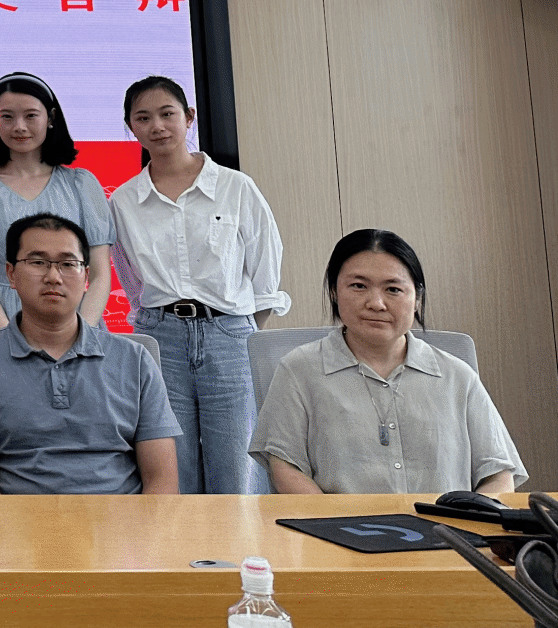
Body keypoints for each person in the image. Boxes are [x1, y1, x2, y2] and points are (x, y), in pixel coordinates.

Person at [110, 75, 288, 495]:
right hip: (161, 338)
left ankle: (241, 541)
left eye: (167, 114)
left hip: (230, 334)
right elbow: (131, 281)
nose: (157, 126)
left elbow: (265, 275)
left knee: (238, 463)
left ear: (189, 117)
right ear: (130, 127)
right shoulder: (123, 201)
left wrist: (238, 330)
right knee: (171, 465)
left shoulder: (235, 186)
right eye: (143, 118)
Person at [251, 229, 524, 495]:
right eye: (358, 286)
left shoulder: (457, 376)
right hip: (337, 525)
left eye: (393, 289)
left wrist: (473, 518)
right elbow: (285, 468)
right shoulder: (299, 370)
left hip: (444, 525)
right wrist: (334, 521)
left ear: (417, 299)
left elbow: (499, 475)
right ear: (334, 291)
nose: (376, 303)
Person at [0, 213, 181, 495]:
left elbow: (162, 482)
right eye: (38, 262)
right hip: (16, 519)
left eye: (68, 264)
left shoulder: (135, 360)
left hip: (119, 519)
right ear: (11, 274)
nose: (53, 277)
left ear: (86, 277)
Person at [0, 73, 113, 331]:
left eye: (31, 115)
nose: (19, 127)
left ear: (51, 118)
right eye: (7, 117)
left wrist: (81, 333)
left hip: (75, 319)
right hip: (5, 320)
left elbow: (101, 274)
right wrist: (9, 336)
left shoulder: (81, 184)